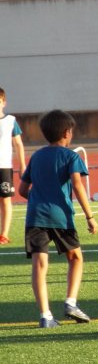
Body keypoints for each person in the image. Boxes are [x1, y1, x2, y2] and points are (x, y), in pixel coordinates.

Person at [18, 110, 98, 328]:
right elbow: (77, 185)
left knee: (39, 264)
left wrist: (39, 197)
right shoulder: (72, 157)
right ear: (67, 132)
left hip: (35, 217)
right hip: (61, 216)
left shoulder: (36, 156)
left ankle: (45, 316)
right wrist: (90, 216)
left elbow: (23, 189)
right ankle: (70, 302)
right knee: (75, 258)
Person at [0, 87, 26, 245]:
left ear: (4, 102)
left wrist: (22, 165)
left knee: (5, 200)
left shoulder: (11, 121)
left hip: (4, 166)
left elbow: (18, 144)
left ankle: (4, 234)